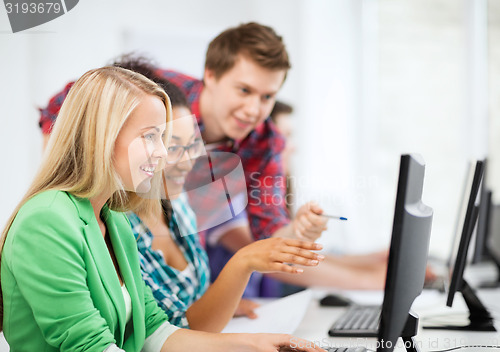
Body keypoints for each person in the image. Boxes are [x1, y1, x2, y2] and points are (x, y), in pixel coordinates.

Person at [1, 66, 327, 352]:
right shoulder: (46, 220)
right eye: (151, 137)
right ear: (102, 137)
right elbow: (89, 346)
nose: (160, 155)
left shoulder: (112, 219)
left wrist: (255, 344)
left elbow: (154, 333)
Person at [39, 22, 329, 245]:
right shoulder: (163, 93)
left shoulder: (265, 143)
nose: (253, 109)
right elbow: (64, 102)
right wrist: (69, 185)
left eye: (267, 97)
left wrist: (298, 230)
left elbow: (270, 233)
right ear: (211, 75)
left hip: (178, 257)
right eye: (244, 90)